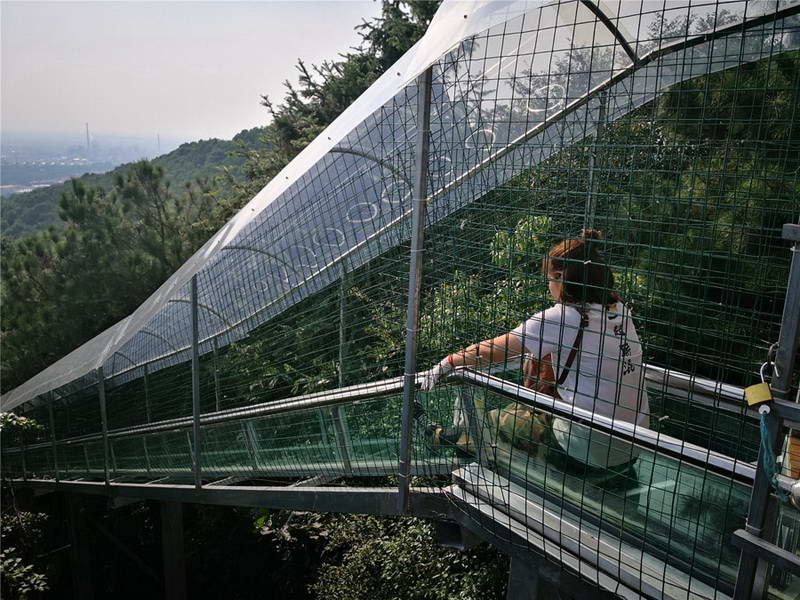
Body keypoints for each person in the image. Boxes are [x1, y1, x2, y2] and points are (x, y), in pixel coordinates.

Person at [419, 229, 650, 474]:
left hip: (588, 450)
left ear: (561, 276)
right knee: (523, 410)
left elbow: (494, 349)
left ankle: (444, 442)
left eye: (550, 278)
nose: (549, 284)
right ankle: (442, 437)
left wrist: (448, 362)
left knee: (491, 421)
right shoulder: (619, 309)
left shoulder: (563, 318)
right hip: (636, 443)